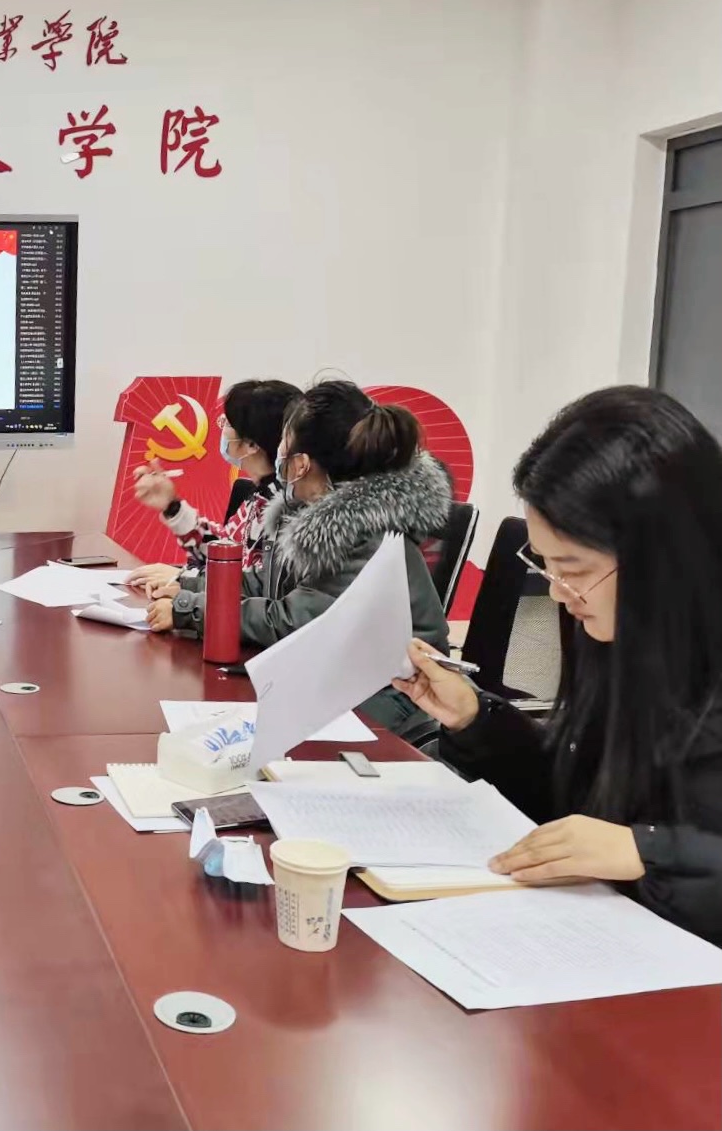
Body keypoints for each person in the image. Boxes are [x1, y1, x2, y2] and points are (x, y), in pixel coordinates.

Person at [396, 386, 722, 944]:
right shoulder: (614, 632)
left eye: (575, 569)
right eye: (547, 566)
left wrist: (647, 851)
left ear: (664, 553)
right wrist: (477, 719)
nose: (558, 593)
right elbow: (577, 806)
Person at [152, 380, 451, 731]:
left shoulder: (360, 531)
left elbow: (293, 623)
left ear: (301, 464)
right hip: (335, 677)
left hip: (388, 698)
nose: (278, 451)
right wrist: (192, 587)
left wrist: (191, 610)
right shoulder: (316, 514)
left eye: (284, 442)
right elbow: (268, 583)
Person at [127, 379, 303, 593]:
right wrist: (172, 506)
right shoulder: (261, 494)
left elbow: (254, 589)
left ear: (251, 444)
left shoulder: (285, 508)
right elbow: (223, 553)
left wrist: (183, 579)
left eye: (227, 423)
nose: (222, 429)